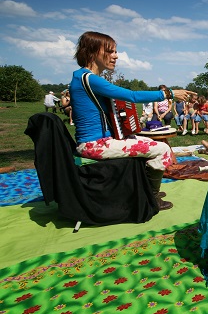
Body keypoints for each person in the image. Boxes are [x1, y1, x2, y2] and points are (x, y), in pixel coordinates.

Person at [69, 31, 195, 211]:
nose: (116, 56)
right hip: (94, 145)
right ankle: (151, 198)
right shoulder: (89, 79)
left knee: (152, 143)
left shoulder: (82, 77)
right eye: (110, 51)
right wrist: (168, 94)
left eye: (115, 51)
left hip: (97, 142)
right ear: (93, 52)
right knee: (162, 149)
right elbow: (132, 96)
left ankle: (146, 190)